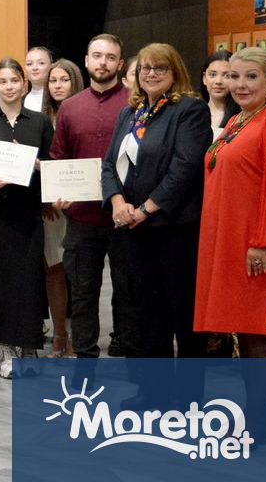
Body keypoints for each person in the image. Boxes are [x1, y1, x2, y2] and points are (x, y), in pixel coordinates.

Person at [196, 47, 266, 438]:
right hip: (231, 241)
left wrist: (262, 242)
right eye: (233, 77)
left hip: (257, 247)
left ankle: (259, 417)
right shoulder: (239, 121)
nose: (239, 85)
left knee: (260, 330)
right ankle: (254, 411)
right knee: (244, 329)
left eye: (250, 77)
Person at [102, 43, 211, 364]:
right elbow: (109, 164)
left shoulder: (189, 110)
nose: (150, 74)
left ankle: (189, 400)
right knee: (146, 316)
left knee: (182, 315)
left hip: (173, 229)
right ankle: (153, 394)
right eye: (144, 69)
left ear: (175, 72)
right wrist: (119, 203)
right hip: (133, 231)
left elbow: (184, 168)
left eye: (159, 68)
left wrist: (146, 209)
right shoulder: (130, 112)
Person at [0, 58, 53, 380]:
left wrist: (33, 164)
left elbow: (51, 163)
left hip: (27, 212)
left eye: (14, 80)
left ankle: (29, 346)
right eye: (2, 81)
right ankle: (6, 349)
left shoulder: (41, 122)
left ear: (24, 83)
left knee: (28, 280)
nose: (9, 86)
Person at [49, 34, 130, 359]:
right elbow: (59, 159)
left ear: (120, 64)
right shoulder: (70, 107)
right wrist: (58, 193)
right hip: (81, 217)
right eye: (97, 55)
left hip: (124, 217)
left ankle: (126, 346)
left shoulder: (134, 104)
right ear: (86, 60)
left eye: (110, 57)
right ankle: (84, 352)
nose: (103, 62)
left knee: (127, 290)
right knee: (82, 292)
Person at [39, 59, 83, 358]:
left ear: (74, 82)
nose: (57, 85)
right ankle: (59, 333)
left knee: (81, 274)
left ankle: (82, 336)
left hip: (83, 205)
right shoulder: (40, 118)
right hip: (51, 207)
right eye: (52, 80)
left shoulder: (85, 113)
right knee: (54, 270)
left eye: (63, 80)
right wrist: (45, 199)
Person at [200, 49, 241, 131]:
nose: (218, 81)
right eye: (213, 75)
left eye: (227, 76)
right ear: (204, 78)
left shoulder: (241, 117)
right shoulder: (193, 113)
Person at [23, 47, 53, 111]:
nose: (34, 68)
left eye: (41, 63)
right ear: (24, 70)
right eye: (29, 64)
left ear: (51, 67)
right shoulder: (19, 102)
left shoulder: (58, 97)